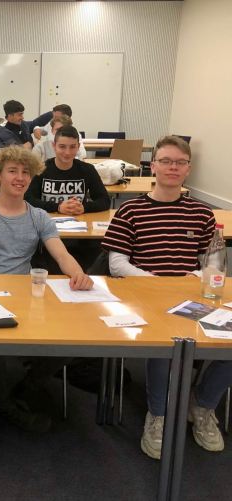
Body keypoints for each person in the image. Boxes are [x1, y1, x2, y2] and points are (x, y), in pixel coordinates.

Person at [101, 135, 231, 459]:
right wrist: (158, 283)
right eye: (166, 161)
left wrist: (192, 279)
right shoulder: (130, 210)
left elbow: (214, 263)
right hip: (144, 298)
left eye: (180, 162)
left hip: (191, 298)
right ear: (153, 166)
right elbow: (117, 264)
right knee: (166, 344)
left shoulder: (202, 213)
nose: (173, 167)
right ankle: (158, 415)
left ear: (188, 169)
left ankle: (202, 406)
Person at [0, 146, 93, 432]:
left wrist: (79, 273)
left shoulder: (39, 216)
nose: (20, 178)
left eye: (26, 172)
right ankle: (5, 404)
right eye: (13, 171)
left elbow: (62, 255)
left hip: (25, 295)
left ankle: (27, 384)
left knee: (74, 338)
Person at [26, 126, 109, 214]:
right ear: (54, 146)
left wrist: (84, 207)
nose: (67, 152)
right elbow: (28, 200)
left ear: (78, 147)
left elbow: (105, 200)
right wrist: (58, 207)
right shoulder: (41, 169)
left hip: (78, 220)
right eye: (62, 147)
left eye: (72, 147)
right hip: (47, 219)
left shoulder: (88, 169)